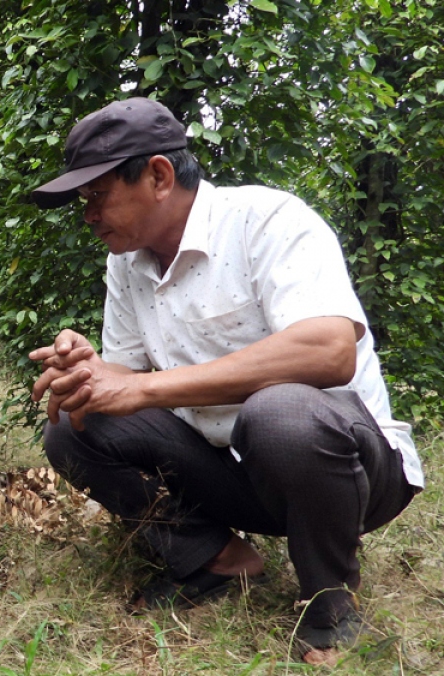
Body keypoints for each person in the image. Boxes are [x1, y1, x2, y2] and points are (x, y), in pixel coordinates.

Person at [27, 97, 422, 658]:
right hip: (233, 475)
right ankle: (217, 559)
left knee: (279, 411)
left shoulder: (268, 220)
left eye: (97, 195)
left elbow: (330, 350)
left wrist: (140, 386)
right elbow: (130, 374)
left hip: (353, 472)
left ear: (159, 176)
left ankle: (330, 600)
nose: (87, 213)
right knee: (75, 420)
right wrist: (91, 368)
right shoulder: (128, 262)